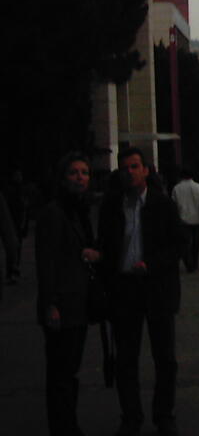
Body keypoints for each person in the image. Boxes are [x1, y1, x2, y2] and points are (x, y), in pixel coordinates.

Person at [98, 147, 183, 436]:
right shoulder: (111, 207)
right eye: (125, 168)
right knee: (126, 359)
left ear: (146, 170)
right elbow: (106, 246)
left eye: (135, 167)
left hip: (157, 288)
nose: (130, 172)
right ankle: (131, 416)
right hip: (124, 290)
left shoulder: (162, 204)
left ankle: (163, 415)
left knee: (166, 359)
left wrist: (152, 264)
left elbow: (177, 246)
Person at [35, 152, 102, 436]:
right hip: (62, 304)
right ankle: (63, 428)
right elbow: (47, 261)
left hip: (78, 304)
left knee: (68, 371)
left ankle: (68, 424)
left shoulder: (79, 209)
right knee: (61, 374)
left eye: (85, 172)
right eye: (74, 172)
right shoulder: (54, 211)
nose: (80, 177)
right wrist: (51, 305)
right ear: (62, 179)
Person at [170, 168, 199, 273]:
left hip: (182, 220)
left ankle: (188, 263)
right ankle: (195, 263)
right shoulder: (198, 187)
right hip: (197, 220)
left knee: (185, 243)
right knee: (196, 243)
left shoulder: (176, 188)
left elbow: (172, 205)